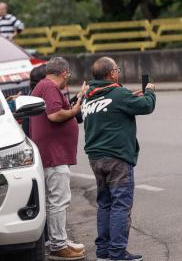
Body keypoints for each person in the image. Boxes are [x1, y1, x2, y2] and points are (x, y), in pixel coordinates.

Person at [82, 57, 156, 261]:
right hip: (117, 158)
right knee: (120, 205)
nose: (119, 73)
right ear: (111, 74)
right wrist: (149, 91)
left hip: (95, 158)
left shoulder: (89, 96)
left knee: (105, 204)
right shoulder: (117, 93)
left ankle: (103, 252)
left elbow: (114, 104)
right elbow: (146, 106)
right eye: (117, 69)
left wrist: (131, 96)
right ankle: (117, 252)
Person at [29, 57, 87, 260]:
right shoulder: (49, 87)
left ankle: (57, 239)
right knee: (58, 201)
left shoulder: (43, 86)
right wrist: (74, 110)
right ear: (64, 73)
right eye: (68, 75)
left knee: (54, 200)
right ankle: (58, 244)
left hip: (52, 152)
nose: (68, 79)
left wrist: (76, 100)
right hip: (54, 154)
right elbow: (54, 115)